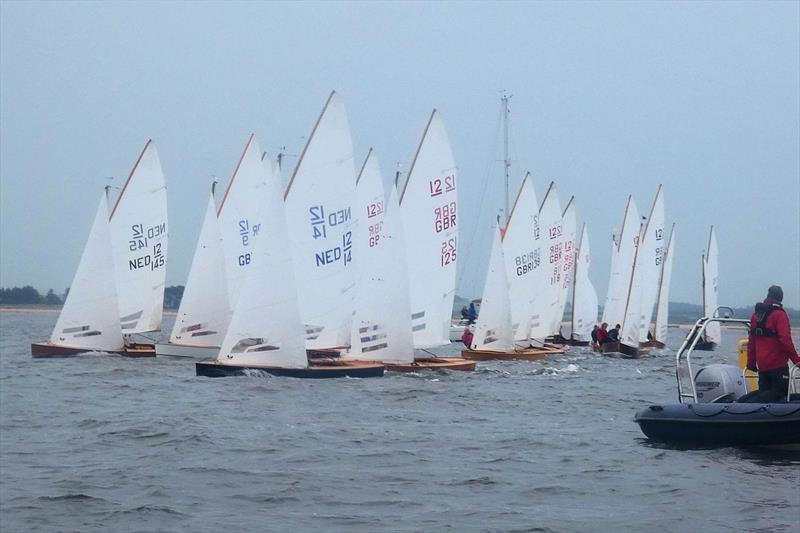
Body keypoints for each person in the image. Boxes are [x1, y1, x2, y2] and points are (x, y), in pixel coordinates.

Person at [745, 285, 800, 402]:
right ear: (780, 298)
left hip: (762, 367)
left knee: (764, 393)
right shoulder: (780, 315)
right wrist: (797, 361)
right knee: (780, 394)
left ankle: (742, 406)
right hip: (778, 366)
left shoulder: (756, 316)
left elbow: (752, 343)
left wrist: (751, 363)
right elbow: (785, 340)